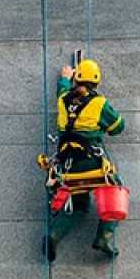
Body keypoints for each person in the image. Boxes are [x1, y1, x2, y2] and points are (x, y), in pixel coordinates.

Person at [44, 58, 124, 262]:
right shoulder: (99, 104)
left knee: (79, 206)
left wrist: (64, 78)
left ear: (76, 80)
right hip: (93, 166)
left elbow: (61, 90)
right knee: (115, 189)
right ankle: (104, 237)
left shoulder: (63, 100)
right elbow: (118, 128)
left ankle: (54, 235)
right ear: (96, 83)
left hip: (68, 169)